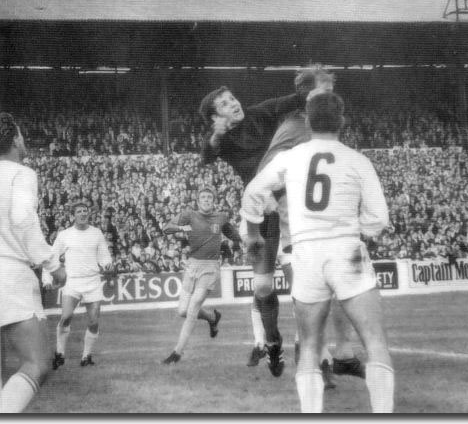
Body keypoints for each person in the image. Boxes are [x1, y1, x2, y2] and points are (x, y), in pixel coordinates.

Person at [199, 67, 360, 380]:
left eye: (232, 98)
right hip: (259, 211)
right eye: (225, 104)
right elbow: (205, 156)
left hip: (288, 207)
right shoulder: (224, 140)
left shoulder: (261, 113)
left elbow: (294, 98)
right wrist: (217, 133)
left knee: (304, 285)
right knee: (262, 287)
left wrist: (318, 88)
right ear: (215, 116)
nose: (234, 104)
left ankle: (317, 360)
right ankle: (272, 343)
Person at [240, 91, 393, 412]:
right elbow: (378, 218)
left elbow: (254, 191)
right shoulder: (357, 160)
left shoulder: (290, 158)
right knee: (375, 342)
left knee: (309, 346)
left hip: (305, 253)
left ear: (307, 121)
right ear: (343, 121)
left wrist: (253, 232)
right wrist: (359, 230)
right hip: (346, 250)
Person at [0, 113, 66, 413]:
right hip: (9, 277)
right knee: (37, 362)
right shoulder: (21, 173)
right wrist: (52, 264)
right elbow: (21, 218)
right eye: (22, 135)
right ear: (16, 139)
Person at [160, 187, 242, 364]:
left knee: (193, 306)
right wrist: (183, 227)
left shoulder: (220, 217)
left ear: (213, 201)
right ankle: (213, 318)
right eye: (203, 197)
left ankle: (177, 353)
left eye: (209, 197)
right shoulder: (189, 215)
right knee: (182, 310)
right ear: (198, 201)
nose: (206, 200)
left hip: (210, 267)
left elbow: (235, 235)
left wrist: (246, 239)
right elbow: (167, 228)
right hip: (192, 265)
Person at [51, 201, 113, 369]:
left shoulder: (97, 233)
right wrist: (51, 277)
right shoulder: (65, 235)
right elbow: (53, 256)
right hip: (73, 281)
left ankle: (86, 356)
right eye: (79, 211)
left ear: (88, 214)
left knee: (93, 321)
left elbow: (104, 255)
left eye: (85, 211)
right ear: (74, 215)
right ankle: (60, 353)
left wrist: (107, 264)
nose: (83, 214)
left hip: (92, 281)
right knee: (66, 317)